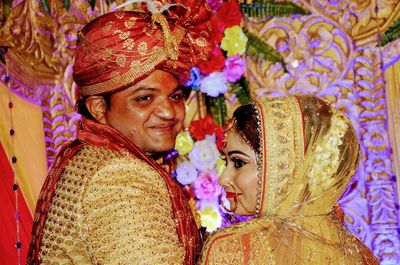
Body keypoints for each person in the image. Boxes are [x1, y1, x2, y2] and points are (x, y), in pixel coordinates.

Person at [27, 1, 213, 264]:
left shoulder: (95, 158)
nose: (170, 113)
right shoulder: (119, 177)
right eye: (145, 98)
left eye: (175, 96)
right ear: (99, 108)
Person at [199, 95, 379, 264]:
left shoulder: (229, 249)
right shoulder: (360, 254)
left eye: (238, 162)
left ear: (285, 167)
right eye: (226, 162)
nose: (223, 179)